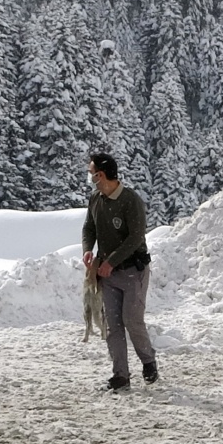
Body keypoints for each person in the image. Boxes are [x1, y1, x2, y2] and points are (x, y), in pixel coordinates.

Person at [82, 152, 157, 392]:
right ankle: (120, 374)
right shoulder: (96, 199)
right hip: (107, 274)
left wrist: (112, 261)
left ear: (100, 175)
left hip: (133, 270)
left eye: (91, 172)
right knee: (112, 324)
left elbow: (135, 237)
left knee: (132, 321)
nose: (89, 177)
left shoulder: (130, 200)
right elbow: (89, 227)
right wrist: (88, 250)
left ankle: (148, 361)